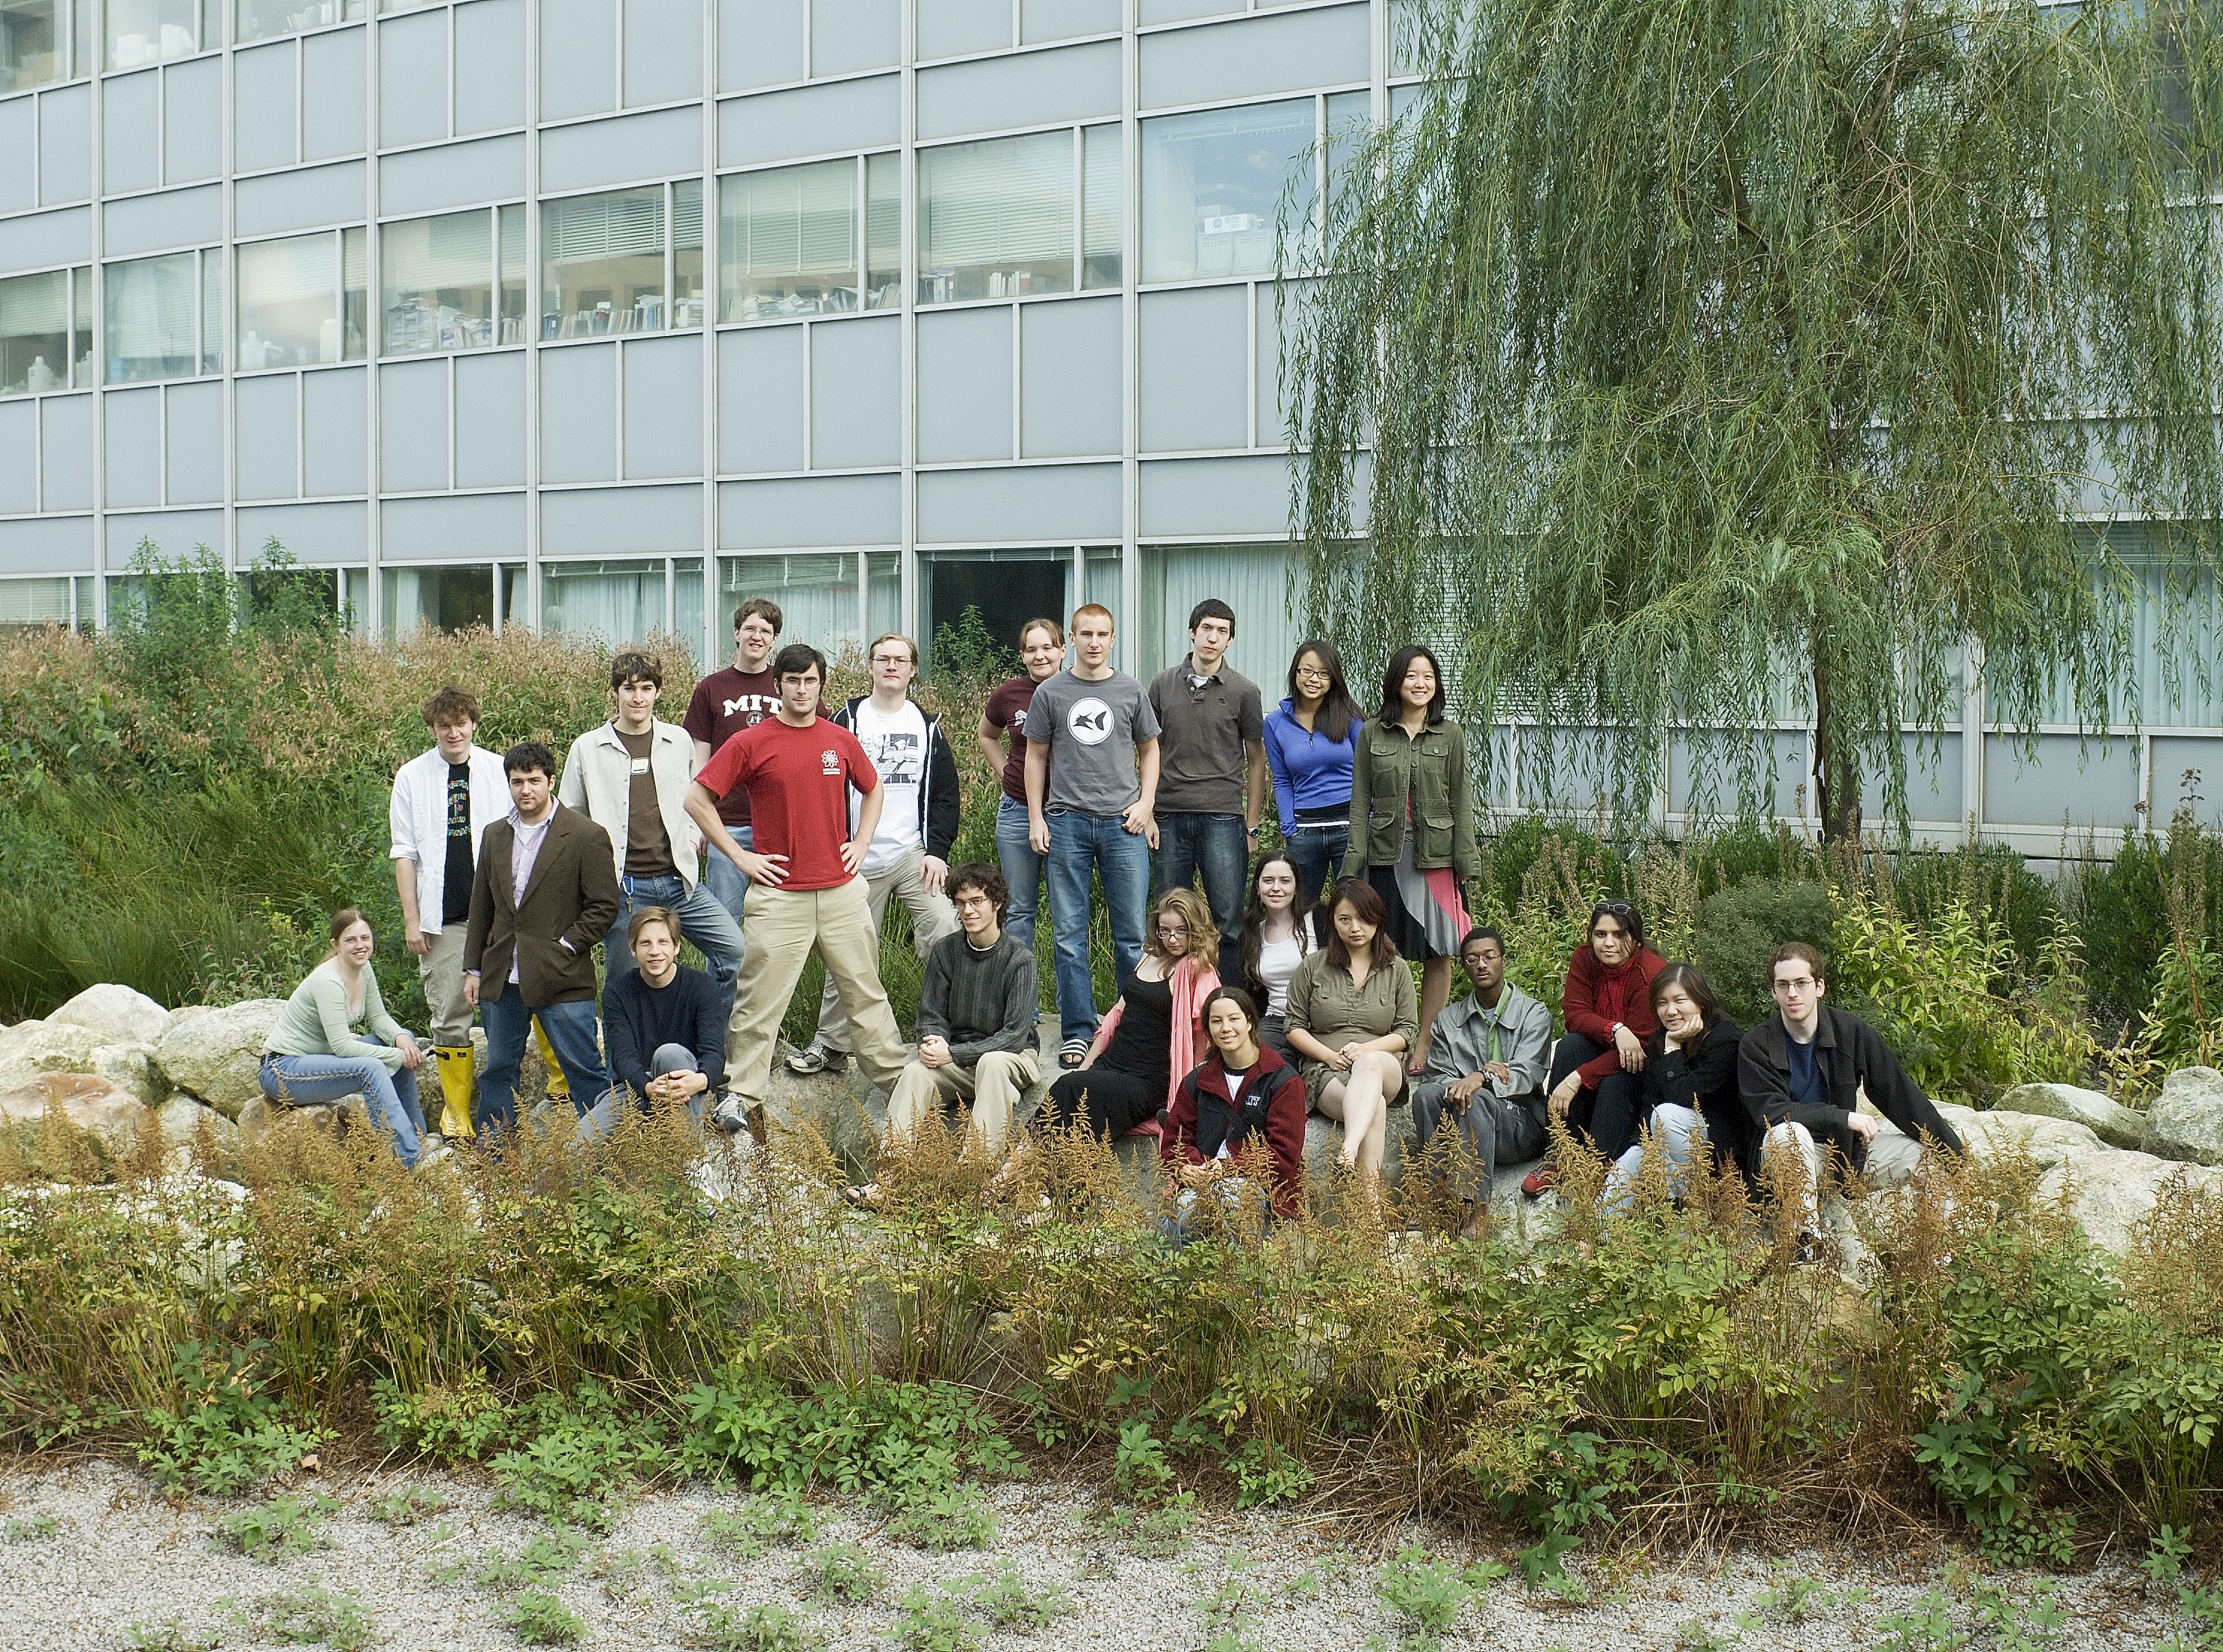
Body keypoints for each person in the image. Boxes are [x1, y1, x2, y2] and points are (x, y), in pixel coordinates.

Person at [686, 642, 911, 1120]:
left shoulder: (839, 739)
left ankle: (900, 1082)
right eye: (793, 681)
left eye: (810, 681)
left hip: (842, 892)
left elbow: (874, 789)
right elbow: (696, 800)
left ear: (821, 685)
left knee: (865, 994)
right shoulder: (750, 742)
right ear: (778, 685)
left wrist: (862, 842)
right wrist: (740, 857)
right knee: (758, 1002)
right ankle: (741, 1094)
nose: (802, 690)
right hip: (778, 897)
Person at [787, 633, 962, 1076]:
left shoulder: (927, 727)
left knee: (945, 927)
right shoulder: (845, 720)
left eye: (900, 660)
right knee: (847, 948)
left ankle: (954, 1030)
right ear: (870, 666)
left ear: (913, 670)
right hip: (853, 855)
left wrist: (937, 852)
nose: (891, 666)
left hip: (911, 854)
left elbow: (946, 795)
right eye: (883, 659)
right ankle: (832, 1044)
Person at [559, 650, 744, 1034]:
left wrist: (691, 837)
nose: (638, 697)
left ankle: (709, 1040)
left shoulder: (678, 741)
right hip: (625, 889)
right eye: (629, 689)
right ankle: (624, 1066)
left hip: (680, 883)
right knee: (624, 985)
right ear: (615, 692)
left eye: (646, 688)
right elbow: (569, 817)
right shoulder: (588, 748)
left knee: (735, 951)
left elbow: (698, 799)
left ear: (658, 692)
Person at [1740, 943, 1965, 1240]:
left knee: (1924, 1156)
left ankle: (1942, 1252)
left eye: (1801, 983)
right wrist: (1842, 1117)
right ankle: (1807, 1242)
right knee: (1787, 1133)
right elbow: (1770, 1112)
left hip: (1846, 1157)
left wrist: (1955, 1155)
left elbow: (1899, 1094)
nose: (1792, 993)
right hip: (1787, 1161)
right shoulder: (1756, 1045)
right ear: (1773, 991)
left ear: (1819, 987)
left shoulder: (1850, 1032)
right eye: (1783, 985)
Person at [1026, 603, 1162, 1069]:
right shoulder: (1050, 692)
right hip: (1067, 822)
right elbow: (1035, 757)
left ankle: (1132, 1029)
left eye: (1102, 634)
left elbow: (1150, 750)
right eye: (1085, 634)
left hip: (1124, 825)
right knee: (1069, 934)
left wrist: (1146, 804)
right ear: (1072, 639)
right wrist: (1037, 817)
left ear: (1113, 638)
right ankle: (1079, 1031)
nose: (1094, 642)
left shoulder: (1131, 690)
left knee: (1132, 935)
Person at [463, 742, 622, 1136]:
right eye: (517, 782)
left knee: (583, 1070)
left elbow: (604, 906)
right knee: (499, 1069)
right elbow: (481, 905)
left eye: (534, 781)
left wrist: (566, 945)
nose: (526, 790)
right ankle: (496, 1159)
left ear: (551, 782)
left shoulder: (586, 835)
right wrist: (473, 969)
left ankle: (605, 1155)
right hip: (503, 975)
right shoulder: (495, 834)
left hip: (561, 976)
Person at [1343, 645, 1478, 1078]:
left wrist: (1466, 861)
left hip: (1437, 858)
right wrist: (1353, 864)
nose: (1420, 684)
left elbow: (1461, 801)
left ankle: (1425, 1043)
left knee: (1439, 951)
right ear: (1396, 683)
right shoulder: (1372, 732)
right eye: (1411, 676)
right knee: (1384, 951)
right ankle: (1390, 1041)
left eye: (1428, 677)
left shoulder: (1450, 734)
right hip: (1386, 855)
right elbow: (1360, 801)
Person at [388, 684, 511, 1140]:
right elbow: (404, 853)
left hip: (500, 918)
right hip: (443, 919)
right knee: (450, 1013)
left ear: (473, 723)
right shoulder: (411, 777)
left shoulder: (500, 770)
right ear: (433, 729)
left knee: (509, 1008)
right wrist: (412, 919)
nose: (453, 733)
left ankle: (512, 1107)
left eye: (461, 723)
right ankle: (456, 1114)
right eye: (444, 725)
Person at [880, 862, 1040, 1161]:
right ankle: (890, 1170)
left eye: (977, 901)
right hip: (959, 1060)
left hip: (1011, 1059)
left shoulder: (1020, 959)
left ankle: (977, 1166)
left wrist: (954, 1053)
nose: (968, 911)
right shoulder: (945, 951)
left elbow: (1014, 1037)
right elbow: (931, 1016)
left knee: (992, 1063)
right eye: (961, 903)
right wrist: (933, 1043)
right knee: (915, 1071)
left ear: (997, 903)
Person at [1040, 887, 1220, 1140]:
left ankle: (1025, 1153)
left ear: (1196, 929)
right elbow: (1116, 1017)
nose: (1172, 939)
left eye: (1182, 931)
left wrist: (1191, 1092)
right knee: (1073, 1094)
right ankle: (1043, 1157)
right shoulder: (1150, 956)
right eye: (1165, 931)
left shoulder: (1197, 970)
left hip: (1147, 1079)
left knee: (1067, 1087)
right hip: (1111, 1063)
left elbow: (1204, 1036)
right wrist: (1086, 1065)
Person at [260, 909, 430, 1167]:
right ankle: (406, 1160)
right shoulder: (328, 981)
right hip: (283, 1070)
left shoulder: (363, 968)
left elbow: (379, 1018)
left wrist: (401, 1039)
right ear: (336, 945)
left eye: (365, 938)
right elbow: (342, 1046)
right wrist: (398, 1056)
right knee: (371, 1068)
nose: (360, 946)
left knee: (402, 1038)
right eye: (351, 940)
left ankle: (419, 1138)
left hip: (319, 1058)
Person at [1411, 927, 1552, 1234]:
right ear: (1464, 966)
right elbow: (1438, 1076)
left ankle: (1476, 1212)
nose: (1482, 965)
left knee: (1479, 1099)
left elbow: (1528, 1073)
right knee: (1426, 1095)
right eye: (1472, 959)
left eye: (1490, 957)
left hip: (1520, 1125)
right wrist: (1464, 1086)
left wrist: (1481, 1078)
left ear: (1504, 960)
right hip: (1463, 1120)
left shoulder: (1534, 1013)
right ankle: (1435, 1201)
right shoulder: (1447, 1020)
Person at [1147, 598, 1266, 957]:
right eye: (1207, 629)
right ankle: (1172, 989)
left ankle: (1228, 990)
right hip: (1168, 816)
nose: (1213, 638)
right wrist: (1146, 811)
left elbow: (1256, 760)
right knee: (1170, 917)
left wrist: (1252, 826)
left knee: (1228, 919)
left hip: (1222, 818)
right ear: (1192, 632)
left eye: (1222, 631)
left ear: (1230, 640)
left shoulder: (1244, 691)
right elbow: (1147, 751)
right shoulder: (1162, 685)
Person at [1525, 900, 1667, 1198]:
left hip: (1640, 1064)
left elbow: (1641, 1046)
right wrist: (1615, 1030)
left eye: (1619, 935)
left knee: (1616, 1082)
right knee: (1570, 1046)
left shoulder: (1650, 971)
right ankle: (1560, 1154)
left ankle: (1597, 1167)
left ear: (1636, 939)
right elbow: (1574, 1013)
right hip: (1606, 1045)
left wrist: (1578, 1077)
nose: (1608, 943)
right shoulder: (1585, 958)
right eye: (1601, 934)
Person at [1284, 879, 1418, 1188]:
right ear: (1333, 921)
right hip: (1325, 1069)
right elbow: (1293, 1026)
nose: (1354, 928)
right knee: (1375, 1107)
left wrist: (1366, 1049)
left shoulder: (1397, 969)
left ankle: (1348, 1149)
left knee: (1370, 1063)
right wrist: (1329, 1056)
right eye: (1344, 919)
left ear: (1377, 919)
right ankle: (1370, 1205)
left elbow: (1406, 1030)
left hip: (1382, 1067)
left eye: (1363, 919)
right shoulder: (1313, 966)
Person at [1599, 963, 1747, 1211]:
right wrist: (1642, 1146)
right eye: (1662, 1003)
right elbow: (1650, 1102)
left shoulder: (1724, 1040)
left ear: (1700, 1001)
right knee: (1630, 1160)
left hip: (1720, 1150)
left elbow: (1688, 1097)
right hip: (1671, 1145)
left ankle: (1693, 1201)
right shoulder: (1660, 1039)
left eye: (1680, 1000)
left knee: (1666, 1114)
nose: (1670, 1011)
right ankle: (1600, 1229)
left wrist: (1673, 1050)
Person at [577, 906, 730, 1143]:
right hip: (639, 1087)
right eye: (645, 943)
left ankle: (688, 1154)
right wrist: (648, 1088)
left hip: (688, 1085)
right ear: (633, 950)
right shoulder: (617, 992)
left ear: (676, 947)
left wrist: (702, 1080)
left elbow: (714, 1053)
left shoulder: (702, 987)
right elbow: (623, 1058)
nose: (655, 951)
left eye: (663, 942)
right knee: (577, 1145)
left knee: (669, 1054)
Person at [1163, 986, 1309, 1232]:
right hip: (1202, 1179)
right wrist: (1188, 1167)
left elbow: (1284, 1155)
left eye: (1234, 1019)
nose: (1226, 1028)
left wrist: (1227, 1169)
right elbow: (1174, 1140)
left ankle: (1240, 1260)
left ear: (1250, 1022)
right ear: (1208, 1029)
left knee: (1230, 1201)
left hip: (1262, 1188)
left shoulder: (1284, 1081)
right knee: (1182, 1210)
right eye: (1217, 1021)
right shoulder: (1197, 1080)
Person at [683, 597, 784, 928]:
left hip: (778, 825)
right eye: (750, 628)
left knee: (777, 925)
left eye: (765, 631)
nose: (757, 636)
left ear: (774, 639)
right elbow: (700, 757)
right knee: (724, 925)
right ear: (736, 633)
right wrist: (703, 822)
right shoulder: (711, 688)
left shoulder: (788, 685)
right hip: (727, 824)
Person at [978, 617, 1066, 948]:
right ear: (1022, 656)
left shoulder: (1077, 689)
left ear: (1063, 650)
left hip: (1067, 810)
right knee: (1018, 907)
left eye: (1048, 647)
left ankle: (1065, 982)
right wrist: (1006, 772)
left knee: (1066, 910)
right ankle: (1020, 980)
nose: (1040, 656)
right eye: (1031, 650)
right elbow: (987, 735)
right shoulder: (1008, 693)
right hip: (1018, 809)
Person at [1263, 639, 1364, 907]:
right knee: (1302, 909)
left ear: (1333, 679)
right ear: (1295, 672)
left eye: (1323, 673)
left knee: (1354, 908)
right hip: (1305, 833)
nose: (1314, 679)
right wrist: (1290, 828)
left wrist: (1366, 822)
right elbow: (1282, 780)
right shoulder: (1275, 723)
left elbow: (1368, 774)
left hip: (1349, 829)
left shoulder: (1350, 716)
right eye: (1307, 670)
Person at [1235, 851, 1325, 1058]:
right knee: (1257, 1061)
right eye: (1268, 881)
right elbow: (1251, 993)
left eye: (1285, 881)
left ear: (1296, 886)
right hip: (1276, 1022)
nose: (1276, 888)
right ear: (1257, 887)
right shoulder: (1252, 933)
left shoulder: (1317, 919)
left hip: (1320, 1020)